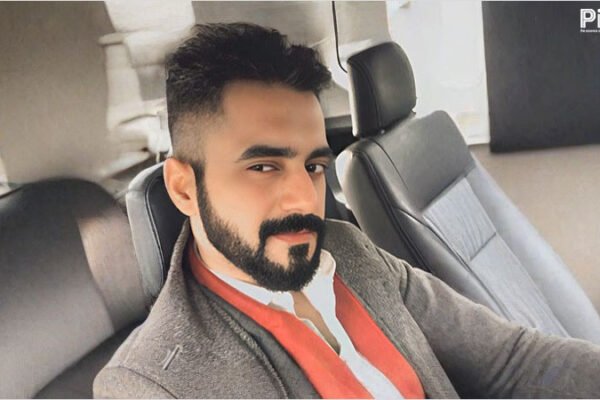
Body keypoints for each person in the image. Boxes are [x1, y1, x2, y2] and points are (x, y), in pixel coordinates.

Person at [94, 23, 600, 399]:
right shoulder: (152, 384)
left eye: (314, 166)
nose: (304, 199)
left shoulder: (348, 250)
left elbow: (510, 359)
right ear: (184, 188)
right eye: (264, 167)